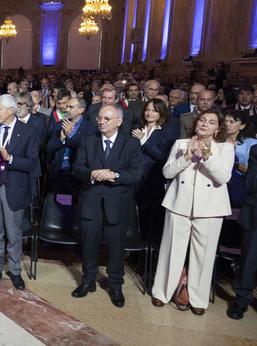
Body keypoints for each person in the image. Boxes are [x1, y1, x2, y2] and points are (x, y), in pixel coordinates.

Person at [151, 110, 234, 315]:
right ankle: (162, 292)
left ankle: (198, 298)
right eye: (202, 120)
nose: (205, 124)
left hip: (210, 209)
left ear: (218, 129)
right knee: (171, 250)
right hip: (179, 204)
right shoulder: (180, 144)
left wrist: (207, 157)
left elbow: (223, 178)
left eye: (211, 122)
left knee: (203, 256)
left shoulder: (225, 148)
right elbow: (167, 172)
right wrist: (186, 158)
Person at [71, 103, 144, 307]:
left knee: (116, 248)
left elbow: (137, 172)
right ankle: (87, 281)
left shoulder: (131, 144)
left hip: (117, 204)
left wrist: (115, 175)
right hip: (91, 201)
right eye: (100, 118)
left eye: (106, 119)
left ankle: (115, 284)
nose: (101, 122)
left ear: (119, 122)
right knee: (89, 245)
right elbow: (77, 168)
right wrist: (92, 174)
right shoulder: (88, 141)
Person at [0, 94, 40, 290]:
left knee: (14, 235)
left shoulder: (28, 132)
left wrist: (10, 158)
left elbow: (31, 164)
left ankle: (15, 271)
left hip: (14, 190)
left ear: (10, 111)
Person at [131, 99, 176, 240]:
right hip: (134, 175)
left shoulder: (167, 129)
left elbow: (162, 155)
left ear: (161, 113)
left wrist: (144, 140)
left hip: (151, 177)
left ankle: (144, 248)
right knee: (131, 212)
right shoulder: (137, 126)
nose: (149, 113)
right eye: (147, 110)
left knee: (146, 214)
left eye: (154, 110)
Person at [228, 144, 257, 319]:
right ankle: (241, 299)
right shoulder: (255, 150)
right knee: (249, 261)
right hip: (255, 215)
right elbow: (251, 182)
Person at [46, 97, 95, 194]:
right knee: (60, 204)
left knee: (76, 205)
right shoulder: (60, 124)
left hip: (77, 174)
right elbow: (49, 147)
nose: (66, 109)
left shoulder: (90, 128)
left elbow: (85, 150)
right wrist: (62, 139)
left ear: (81, 110)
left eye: (71, 107)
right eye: (67, 106)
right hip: (59, 172)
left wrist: (70, 135)